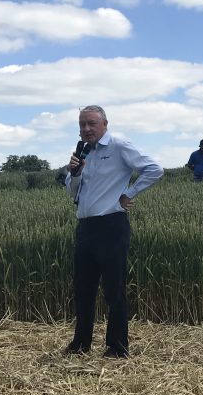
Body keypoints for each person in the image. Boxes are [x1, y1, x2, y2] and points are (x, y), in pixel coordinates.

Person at [63, 105, 163, 358]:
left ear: (105, 124)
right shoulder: (83, 152)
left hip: (111, 226)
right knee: (83, 289)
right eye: (82, 124)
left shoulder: (119, 145)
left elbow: (154, 169)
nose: (86, 129)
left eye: (92, 123)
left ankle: (117, 347)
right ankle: (80, 344)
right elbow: (72, 193)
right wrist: (74, 172)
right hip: (85, 227)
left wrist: (128, 194)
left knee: (113, 289)